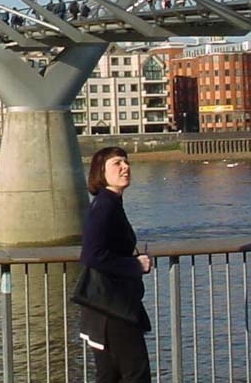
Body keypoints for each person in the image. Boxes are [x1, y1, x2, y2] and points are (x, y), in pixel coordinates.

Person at [79, 147, 152, 382]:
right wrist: (135, 266)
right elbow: (92, 254)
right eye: (117, 163)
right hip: (112, 308)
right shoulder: (105, 206)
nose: (125, 167)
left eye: (126, 162)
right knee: (136, 373)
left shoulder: (109, 203)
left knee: (110, 376)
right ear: (101, 172)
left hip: (104, 307)